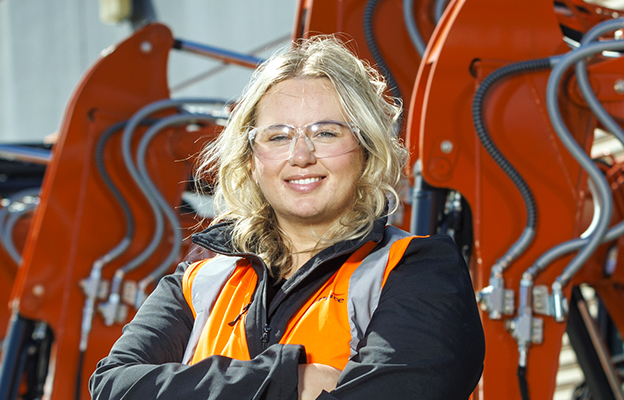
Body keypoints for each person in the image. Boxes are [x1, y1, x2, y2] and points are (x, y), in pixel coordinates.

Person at [88, 35, 485, 400]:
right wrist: (288, 380)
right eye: (278, 136)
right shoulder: (197, 285)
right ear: (251, 160)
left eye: (326, 133)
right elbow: (112, 386)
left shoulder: (417, 272)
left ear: (366, 149)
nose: (300, 156)